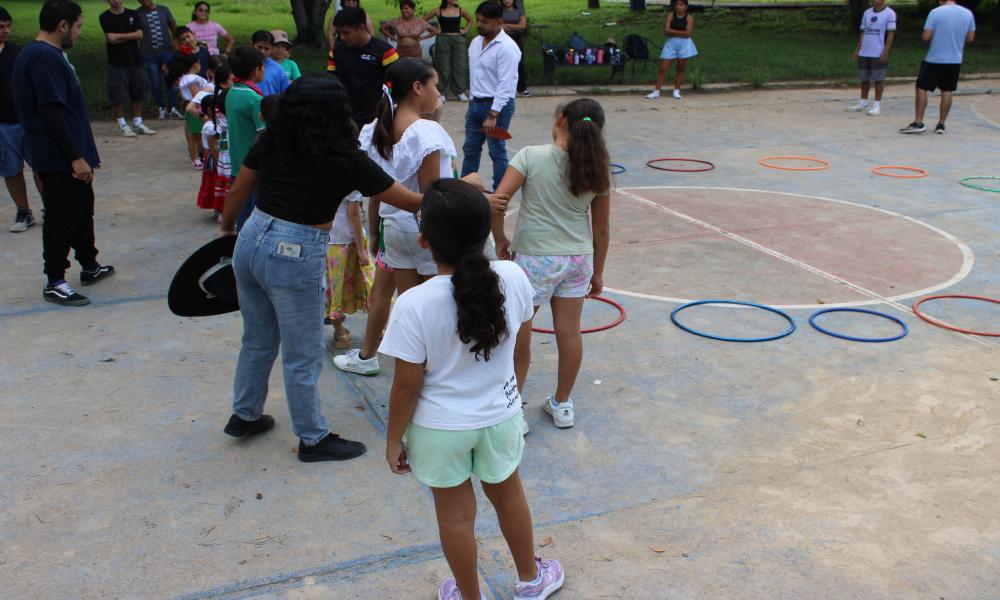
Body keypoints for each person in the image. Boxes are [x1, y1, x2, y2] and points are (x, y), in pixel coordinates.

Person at [217, 76, 423, 462]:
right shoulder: (345, 158)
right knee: (304, 351)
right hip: (294, 252)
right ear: (339, 112)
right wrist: (466, 189)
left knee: (258, 338)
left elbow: (238, 190)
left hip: (252, 236)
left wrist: (227, 231)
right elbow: (411, 200)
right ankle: (312, 438)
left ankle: (245, 414)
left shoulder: (271, 139)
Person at [380, 178, 565, 600]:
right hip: (499, 418)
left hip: (438, 429)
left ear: (425, 241)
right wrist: (510, 401)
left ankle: (470, 596)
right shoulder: (514, 277)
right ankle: (531, 580)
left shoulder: (414, 303)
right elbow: (522, 352)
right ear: (485, 232)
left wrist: (394, 440)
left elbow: (407, 386)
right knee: (509, 497)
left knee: (456, 516)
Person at [491, 98, 611, 430]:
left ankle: (512, 410)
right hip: (578, 259)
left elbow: (498, 203)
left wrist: (499, 238)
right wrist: (598, 270)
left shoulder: (531, 155)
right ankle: (562, 404)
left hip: (535, 259)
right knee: (570, 334)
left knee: (518, 335)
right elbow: (601, 229)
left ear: (560, 120)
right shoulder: (598, 168)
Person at [334, 57, 453, 376]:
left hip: (394, 229)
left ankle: (397, 363)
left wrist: (374, 232)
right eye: (435, 85)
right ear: (418, 87)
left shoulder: (375, 128)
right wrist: (470, 184)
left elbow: (376, 189)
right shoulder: (427, 132)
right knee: (435, 306)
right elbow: (433, 194)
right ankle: (435, 371)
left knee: (409, 304)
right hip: (427, 233)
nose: (437, 93)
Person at [13, 0, 115, 307]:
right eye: (79, 26)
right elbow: (51, 112)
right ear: (63, 25)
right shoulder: (43, 58)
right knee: (61, 216)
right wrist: (75, 156)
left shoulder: (43, 55)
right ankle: (54, 280)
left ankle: (90, 265)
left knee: (82, 209)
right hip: (57, 157)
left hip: (67, 153)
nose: (79, 33)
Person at [461, 1, 520, 193]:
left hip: (497, 107)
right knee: (470, 149)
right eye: (478, 20)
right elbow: (475, 77)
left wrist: (493, 115)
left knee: (496, 152)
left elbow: (505, 85)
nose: (479, 24)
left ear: (499, 21)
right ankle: (465, 191)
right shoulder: (475, 43)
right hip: (476, 104)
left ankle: (500, 193)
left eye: (484, 21)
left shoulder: (508, 48)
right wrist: (472, 104)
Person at [900, 0, 975, 135]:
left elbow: (926, 36)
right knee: (947, 91)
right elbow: (970, 38)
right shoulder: (967, 13)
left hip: (935, 58)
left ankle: (918, 122)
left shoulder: (935, 12)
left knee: (921, 87)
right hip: (955, 59)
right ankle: (941, 124)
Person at [0, 6, 38, 233]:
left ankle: (50, 209)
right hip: (2, 124)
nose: (5, 31)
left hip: (25, 120)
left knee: (40, 166)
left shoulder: (18, 53)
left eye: (7, 26)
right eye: (0, 27)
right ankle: (23, 210)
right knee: (11, 169)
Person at [328, 7, 398, 128]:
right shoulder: (335, 50)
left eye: (346, 32)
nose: (342, 37)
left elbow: (395, 82)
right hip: (343, 117)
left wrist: (388, 100)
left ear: (361, 28)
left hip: (375, 120)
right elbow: (330, 80)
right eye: (339, 33)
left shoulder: (386, 51)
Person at [100, 0, 156, 137]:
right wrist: (130, 36)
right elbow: (110, 39)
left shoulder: (133, 14)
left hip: (135, 59)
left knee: (138, 89)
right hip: (116, 61)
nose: (116, 0)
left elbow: (140, 34)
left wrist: (119, 36)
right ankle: (122, 124)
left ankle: (137, 123)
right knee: (117, 93)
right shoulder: (104, 16)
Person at [324, 191, 372, 349]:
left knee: (334, 289)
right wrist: (361, 250)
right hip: (350, 241)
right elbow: (354, 215)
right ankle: (378, 330)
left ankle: (340, 334)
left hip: (328, 241)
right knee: (370, 285)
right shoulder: (351, 176)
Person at [225, 46, 266, 229]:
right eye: (262, 67)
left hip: (236, 162)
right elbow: (263, 135)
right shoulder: (254, 99)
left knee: (243, 210)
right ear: (255, 71)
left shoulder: (232, 93)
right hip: (253, 166)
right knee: (256, 213)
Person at [846, 0, 895, 116]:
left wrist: (885, 52)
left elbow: (890, 35)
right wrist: (858, 49)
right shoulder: (867, 13)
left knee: (878, 79)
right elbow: (863, 33)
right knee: (864, 78)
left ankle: (877, 105)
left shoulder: (890, 13)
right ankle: (863, 102)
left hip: (878, 52)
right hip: (865, 52)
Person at [136, 0, 178, 120]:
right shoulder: (137, 13)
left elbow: (174, 28)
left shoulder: (163, 10)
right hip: (148, 54)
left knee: (171, 79)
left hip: (167, 52)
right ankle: (161, 108)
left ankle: (173, 108)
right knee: (155, 82)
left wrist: (176, 46)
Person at [645, 0, 696, 100]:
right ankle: (656, 91)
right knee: (663, 68)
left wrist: (672, 31)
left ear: (686, 7)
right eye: (677, 4)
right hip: (671, 43)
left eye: (681, 5)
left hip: (684, 44)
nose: (678, 7)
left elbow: (687, 34)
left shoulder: (689, 18)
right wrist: (678, 32)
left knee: (680, 69)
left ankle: (676, 91)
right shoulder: (670, 16)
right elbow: (666, 31)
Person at [167, 52, 209, 168]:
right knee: (197, 136)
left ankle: (196, 158)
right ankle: (198, 159)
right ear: (196, 65)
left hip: (189, 106)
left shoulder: (184, 78)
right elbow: (197, 96)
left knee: (192, 135)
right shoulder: (193, 79)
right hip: (197, 108)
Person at [424, 0, 472, 101]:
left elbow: (470, 20)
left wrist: (465, 30)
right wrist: (435, 30)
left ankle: (460, 91)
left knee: (460, 65)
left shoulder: (460, 10)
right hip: (443, 39)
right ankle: (442, 92)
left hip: (458, 39)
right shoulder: (438, 11)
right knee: (443, 66)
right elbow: (422, 21)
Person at [500, 0, 529, 97]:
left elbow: (523, 25)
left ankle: (522, 88)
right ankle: (505, 88)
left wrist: (508, 26)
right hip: (504, 38)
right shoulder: (500, 11)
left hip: (517, 39)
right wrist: (516, 26)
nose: (507, 1)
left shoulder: (519, 11)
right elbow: (500, 26)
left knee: (519, 62)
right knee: (504, 63)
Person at [251, 30, 291, 97]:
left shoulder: (278, 69)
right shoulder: (244, 64)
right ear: (252, 45)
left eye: (266, 48)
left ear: (272, 49)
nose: (262, 51)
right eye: (259, 47)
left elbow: (285, 94)